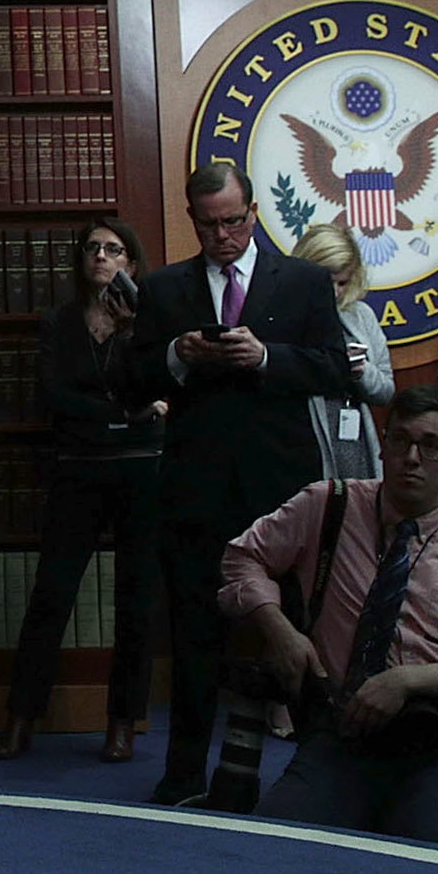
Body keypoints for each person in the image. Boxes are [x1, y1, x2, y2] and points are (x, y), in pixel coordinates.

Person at [127, 164, 354, 805]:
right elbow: (133, 379)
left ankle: (320, 770)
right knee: (196, 634)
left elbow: (337, 370)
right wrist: (179, 356)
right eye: (209, 224)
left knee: (299, 629)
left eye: (233, 221)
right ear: (192, 221)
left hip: (282, 489)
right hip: (196, 487)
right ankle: (182, 772)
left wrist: (265, 359)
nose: (223, 235)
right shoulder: (167, 287)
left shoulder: (304, 281)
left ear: (254, 213)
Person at [222, 386, 438, 849]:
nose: (412, 458)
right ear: (382, 446)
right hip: (342, 735)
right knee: (276, 852)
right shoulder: (327, 505)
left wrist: (409, 681)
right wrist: (280, 629)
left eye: (430, 447)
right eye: (400, 441)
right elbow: (241, 559)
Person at [0, 217, 163, 765]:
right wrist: (127, 412)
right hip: (79, 466)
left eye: (113, 249)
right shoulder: (60, 322)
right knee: (52, 594)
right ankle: (21, 720)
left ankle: (121, 724)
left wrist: (134, 337)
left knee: (136, 598)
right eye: (92, 248)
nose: (101, 257)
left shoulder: (149, 323)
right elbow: (56, 396)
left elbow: (162, 385)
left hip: (141, 468)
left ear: (131, 264)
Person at [295, 221, 394, 480]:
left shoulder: (361, 315)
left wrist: (361, 370)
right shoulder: (284, 315)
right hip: (303, 444)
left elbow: (386, 390)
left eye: (343, 283)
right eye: (328, 282)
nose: (336, 293)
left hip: (356, 444)